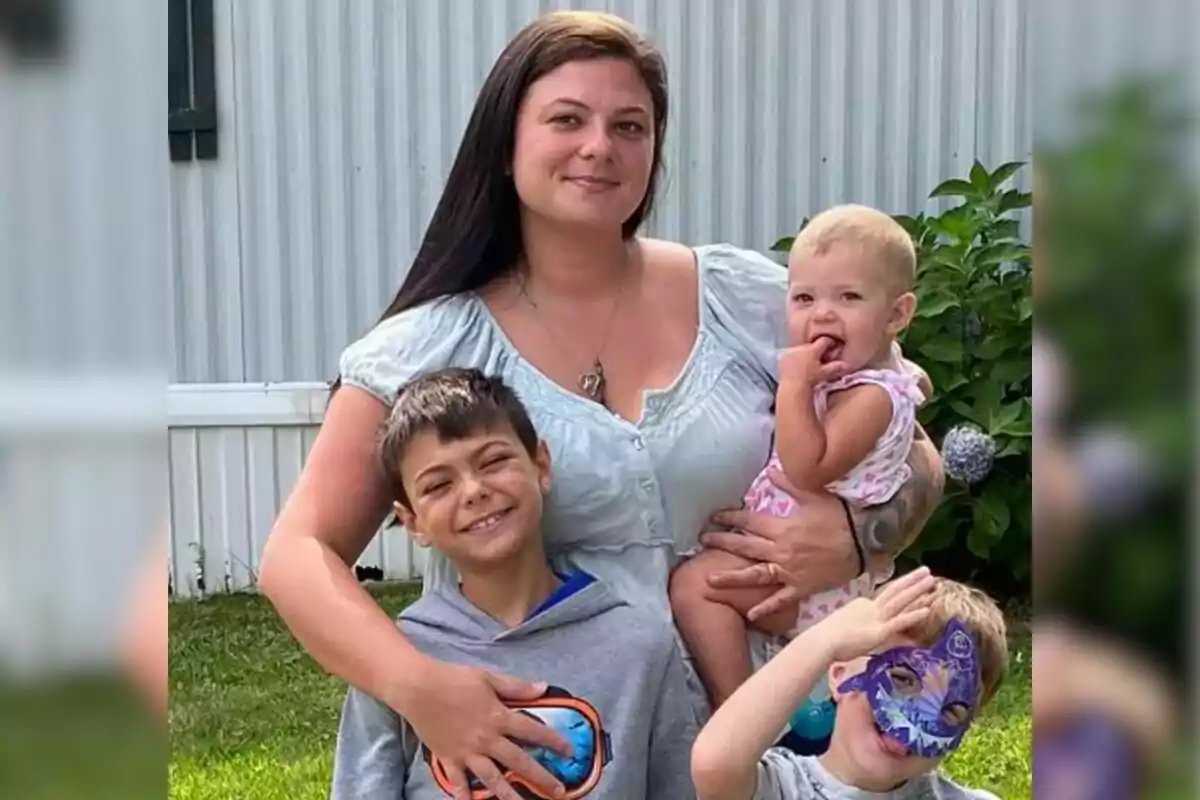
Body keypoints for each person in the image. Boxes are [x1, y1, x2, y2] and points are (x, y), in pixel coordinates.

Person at [258, 10, 943, 800]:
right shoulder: (428, 349)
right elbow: (296, 557)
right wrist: (423, 690)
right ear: (505, 144)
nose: (600, 146)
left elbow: (909, 444)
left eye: (630, 125)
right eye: (566, 119)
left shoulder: (754, 300)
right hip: (562, 748)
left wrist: (857, 537)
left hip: (781, 744)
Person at [331, 368, 699, 799]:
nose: (473, 491)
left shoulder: (641, 646)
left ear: (541, 466)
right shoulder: (397, 658)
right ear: (412, 522)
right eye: (438, 485)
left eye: (493, 462)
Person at [671, 205, 932, 718]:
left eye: (849, 297)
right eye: (804, 298)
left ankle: (739, 710)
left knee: (695, 587)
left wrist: (793, 384)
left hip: (813, 583)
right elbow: (913, 376)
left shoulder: (872, 397)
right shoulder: (865, 378)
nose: (822, 315)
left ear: (897, 315)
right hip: (796, 564)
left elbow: (807, 468)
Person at [690, 568, 1009, 800]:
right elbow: (715, 764)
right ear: (840, 674)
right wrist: (826, 640)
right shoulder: (783, 789)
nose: (918, 714)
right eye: (902, 678)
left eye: (952, 709)